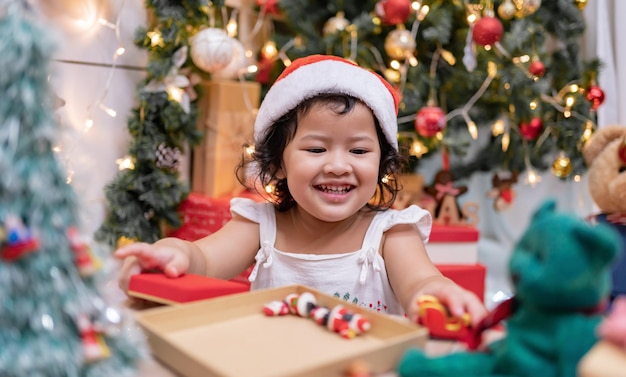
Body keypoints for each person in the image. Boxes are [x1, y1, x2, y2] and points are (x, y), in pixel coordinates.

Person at [115, 54, 487, 324]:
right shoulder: (259, 225)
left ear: (381, 163)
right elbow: (203, 258)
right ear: (277, 162)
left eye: (358, 150)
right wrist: (171, 253)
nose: (338, 165)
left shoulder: (390, 234)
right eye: (315, 149)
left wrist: (434, 294)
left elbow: (420, 281)